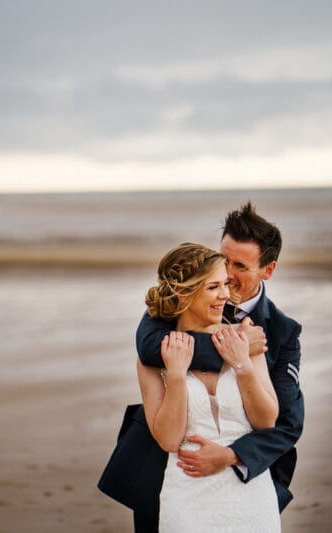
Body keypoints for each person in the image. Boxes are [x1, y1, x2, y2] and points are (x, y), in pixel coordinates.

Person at [132, 202, 303, 531]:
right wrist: (224, 350)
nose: (228, 280)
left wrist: (230, 456)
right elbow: (148, 348)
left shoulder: (279, 332)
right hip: (173, 474)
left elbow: (286, 422)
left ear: (267, 270)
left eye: (240, 266)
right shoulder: (169, 312)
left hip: (246, 480)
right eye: (225, 261)